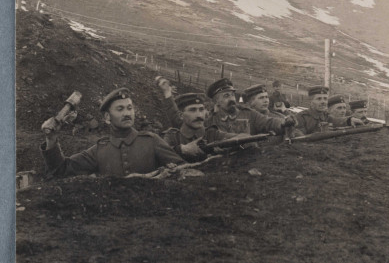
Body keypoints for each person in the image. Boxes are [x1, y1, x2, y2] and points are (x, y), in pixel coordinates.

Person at [40, 88, 185, 177]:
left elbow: (183, 169)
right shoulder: (99, 150)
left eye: (129, 108)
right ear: (107, 118)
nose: (127, 113)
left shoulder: (152, 141)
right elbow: (61, 170)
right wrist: (51, 139)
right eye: (120, 109)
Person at [163, 93, 251, 162]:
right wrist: (182, 149)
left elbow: (245, 137)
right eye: (192, 110)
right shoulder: (172, 136)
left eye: (201, 109)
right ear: (181, 115)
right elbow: (161, 155)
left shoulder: (211, 134)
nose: (199, 115)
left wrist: (227, 145)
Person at [205, 78, 296, 135]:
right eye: (226, 96)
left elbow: (268, 122)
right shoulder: (209, 119)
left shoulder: (248, 113)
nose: (232, 99)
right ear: (216, 101)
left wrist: (282, 123)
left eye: (232, 95)